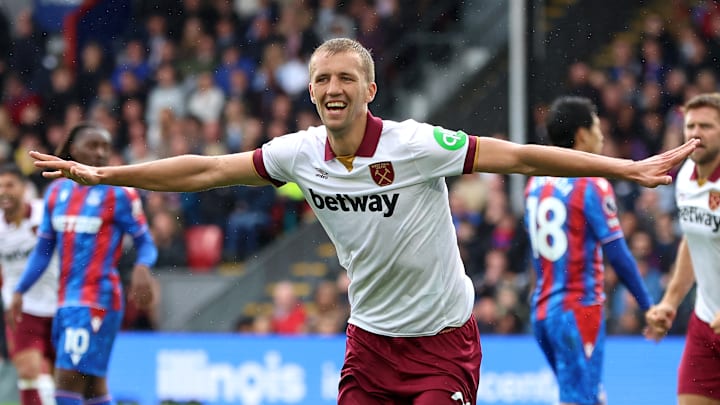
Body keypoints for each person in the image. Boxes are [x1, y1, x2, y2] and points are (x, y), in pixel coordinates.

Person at [28, 38, 696, 405]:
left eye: (345, 77)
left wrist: (624, 169)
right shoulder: (301, 153)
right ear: (311, 89)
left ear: (370, 89)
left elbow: (516, 155)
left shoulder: (413, 144)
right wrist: (108, 173)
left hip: (442, 342)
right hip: (369, 344)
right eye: (321, 79)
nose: (331, 89)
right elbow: (204, 169)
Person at [8, 122, 158, 405]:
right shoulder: (55, 193)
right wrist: (21, 289)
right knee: (92, 388)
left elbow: (146, 243)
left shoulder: (119, 193)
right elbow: (43, 251)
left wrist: (142, 267)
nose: (101, 153)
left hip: (97, 298)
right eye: (93, 146)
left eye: (106, 147)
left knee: (66, 382)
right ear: (74, 149)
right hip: (64, 301)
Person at [524, 96, 654, 405]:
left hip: (542, 312)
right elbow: (618, 254)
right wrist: (648, 305)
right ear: (581, 135)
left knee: (590, 397)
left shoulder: (535, 185)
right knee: (579, 400)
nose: (602, 134)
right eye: (596, 127)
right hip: (577, 311)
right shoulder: (591, 183)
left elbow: (536, 257)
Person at [645, 92, 720, 405]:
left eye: (707, 126)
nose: (695, 134)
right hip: (706, 321)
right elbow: (693, 237)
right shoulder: (685, 178)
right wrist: (670, 301)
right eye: (690, 125)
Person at [0, 163, 57, 405]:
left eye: (9, 185)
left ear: (24, 189)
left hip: (59, 304)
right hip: (22, 309)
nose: (3, 191)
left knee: (67, 378)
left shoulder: (45, 213)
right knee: (28, 372)